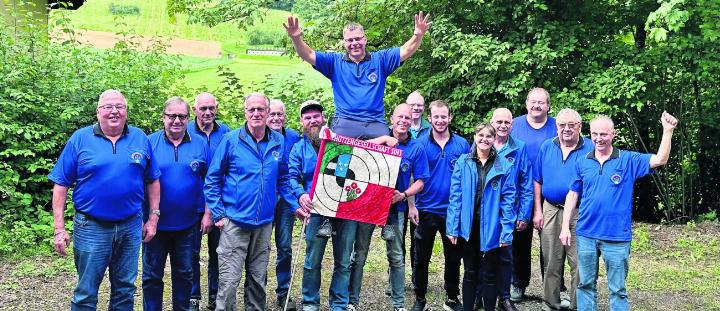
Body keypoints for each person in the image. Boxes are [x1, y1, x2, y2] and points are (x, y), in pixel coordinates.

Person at [49, 89, 161, 310]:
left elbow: (153, 181)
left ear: (126, 111)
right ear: (98, 111)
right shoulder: (80, 139)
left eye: (119, 107)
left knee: (125, 289)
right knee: (86, 292)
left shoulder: (140, 137)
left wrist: (153, 217)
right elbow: (60, 184)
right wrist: (59, 229)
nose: (114, 111)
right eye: (108, 107)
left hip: (130, 226)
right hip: (91, 227)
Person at [559, 112, 678, 311]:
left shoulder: (628, 160)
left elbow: (659, 160)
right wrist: (565, 227)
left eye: (603, 134)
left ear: (613, 134)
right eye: (595, 134)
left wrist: (668, 131)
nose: (598, 138)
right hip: (586, 234)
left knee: (617, 289)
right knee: (585, 285)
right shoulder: (582, 161)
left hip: (616, 236)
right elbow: (572, 194)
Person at [283, 12, 431, 139]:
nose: (355, 43)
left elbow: (405, 50)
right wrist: (296, 38)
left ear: (365, 39)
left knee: (384, 160)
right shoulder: (334, 62)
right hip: (345, 122)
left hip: (375, 123)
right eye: (350, 40)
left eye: (358, 39)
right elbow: (308, 54)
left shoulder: (380, 60)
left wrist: (418, 35)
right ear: (344, 43)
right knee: (338, 164)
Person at [204, 92, 285, 311]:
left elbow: (284, 178)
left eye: (261, 109)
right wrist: (219, 214)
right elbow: (212, 179)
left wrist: (297, 203)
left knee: (258, 279)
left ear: (268, 112)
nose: (256, 113)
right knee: (229, 280)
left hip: (264, 223)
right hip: (235, 223)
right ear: (245, 113)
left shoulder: (278, 141)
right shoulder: (231, 140)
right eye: (252, 110)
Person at [348, 104, 429, 311]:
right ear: (391, 119)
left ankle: (398, 304)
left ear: (412, 121)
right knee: (359, 255)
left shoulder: (417, 147)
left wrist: (404, 195)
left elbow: (420, 181)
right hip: (367, 208)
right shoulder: (378, 137)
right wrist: (384, 141)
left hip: (394, 211)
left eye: (407, 118)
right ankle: (352, 301)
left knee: (396, 256)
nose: (403, 121)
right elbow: (356, 151)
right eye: (399, 117)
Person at [143, 97, 211, 311]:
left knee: (184, 275)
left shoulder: (200, 144)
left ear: (188, 118)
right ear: (163, 118)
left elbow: (211, 180)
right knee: (152, 277)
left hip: (188, 225)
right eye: (171, 116)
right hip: (155, 226)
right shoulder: (149, 142)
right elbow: (139, 180)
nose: (176, 121)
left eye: (181, 116)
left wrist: (208, 213)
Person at [446, 123, 517, 311]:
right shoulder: (463, 162)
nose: (484, 139)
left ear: (494, 139)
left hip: (493, 228)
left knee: (490, 274)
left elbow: (508, 202)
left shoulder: (504, 165)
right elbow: (455, 197)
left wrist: (507, 231)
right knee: (469, 272)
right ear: (475, 136)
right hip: (468, 228)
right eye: (481, 135)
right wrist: (452, 227)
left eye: (489, 136)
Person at [411, 100, 470, 311]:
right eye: (436, 116)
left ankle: (452, 297)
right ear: (430, 118)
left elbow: (468, 178)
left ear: (450, 118)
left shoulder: (462, 145)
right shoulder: (420, 144)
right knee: (421, 258)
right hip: (425, 209)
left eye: (444, 116)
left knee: (454, 257)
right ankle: (420, 298)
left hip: (453, 211)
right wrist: (412, 206)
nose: (440, 120)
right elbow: (412, 176)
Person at [533, 108, 593, 311]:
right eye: (561, 125)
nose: (566, 129)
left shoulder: (591, 149)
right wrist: (538, 211)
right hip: (550, 208)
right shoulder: (547, 147)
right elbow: (537, 180)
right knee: (551, 260)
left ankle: (578, 305)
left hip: (580, 212)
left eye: (571, 125)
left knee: (579, 261)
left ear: (580, 126)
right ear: (556, 126)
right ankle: (551, 303)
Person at [509, 87, 558, 302]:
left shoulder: (557, 126)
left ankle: (555, 287)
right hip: (519, 193)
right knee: (519, 241)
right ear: (526, 103)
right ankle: (518, 283)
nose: (537, 106)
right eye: (533, 102)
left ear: (548, 105)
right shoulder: (514, 125)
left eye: (542, 102)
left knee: (551, 244)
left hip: (550, 193)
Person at [187, 92, 231, 311]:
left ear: (217, 108)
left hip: (220, 205)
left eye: (211, 108)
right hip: (190, 205)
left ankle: (215, 295)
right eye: (202, 108)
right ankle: (193, 296)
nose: (207, 113)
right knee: (191, 253)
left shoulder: (227, 134)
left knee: (218, 253)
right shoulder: (184, 132)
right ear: (194, 110)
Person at [490, 108, 531, 311]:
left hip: (509, 210)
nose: (503, 125)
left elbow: (526, 182)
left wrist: (524, 213)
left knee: (506, 254)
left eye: (507, 122)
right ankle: (483, 294)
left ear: (512, 125)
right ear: (492, 122)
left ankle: (504, 298)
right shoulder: (482, 142)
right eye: (499, 122)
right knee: (485, 253)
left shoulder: (520, 148)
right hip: (486, 210)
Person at [267, 99, 301, 310]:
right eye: (272, 114)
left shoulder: (294, 137)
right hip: (266, 200)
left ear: (285, 117)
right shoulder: (261, 137)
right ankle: (255, 290)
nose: (276, 118)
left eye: (280, 114)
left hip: (287, 201)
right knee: (259, 248)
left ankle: (283, 291)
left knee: (285, 247)